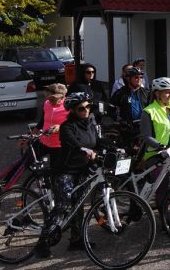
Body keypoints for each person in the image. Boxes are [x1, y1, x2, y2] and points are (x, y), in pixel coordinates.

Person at [34, 92, 111, 258]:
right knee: (62, 205)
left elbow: (97, 141)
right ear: (73, 110)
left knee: (79, 204)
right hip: (65, 171)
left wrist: (112, 146)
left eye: (88, 107)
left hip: (83, 170)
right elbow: (73, 143)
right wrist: (85, 150)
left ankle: (76, 240)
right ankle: (42, 243)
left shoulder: (89, 123)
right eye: (81, 108)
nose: (86, 111)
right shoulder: (67, 126)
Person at [141, 77, 170, 205]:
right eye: (167, 92)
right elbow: (146, 136)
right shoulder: (149, 111)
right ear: (157, 93)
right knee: (163, 187)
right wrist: (160, 146)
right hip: (158, 154)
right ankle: (164, 218)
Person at [110, 67, 151, 148]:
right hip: (127, 130)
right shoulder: (120, 93)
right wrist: (119, 121)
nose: (139, 79)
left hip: (142, 129)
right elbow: (111, 109)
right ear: (129, 79)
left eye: (141, 77)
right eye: (136, 77)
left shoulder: (146, 93)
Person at [36, 83, 68, 156]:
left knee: (55, 167)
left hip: (59, 145)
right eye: (49, 98)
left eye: (53, 99)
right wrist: (30, 136)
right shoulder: (47, 103)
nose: (50, 101)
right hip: (43, 141)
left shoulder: (68, 106)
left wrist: (60, 127)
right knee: (27, 160)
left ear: (62, 97)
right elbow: (42, 121)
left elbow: (74, 125)